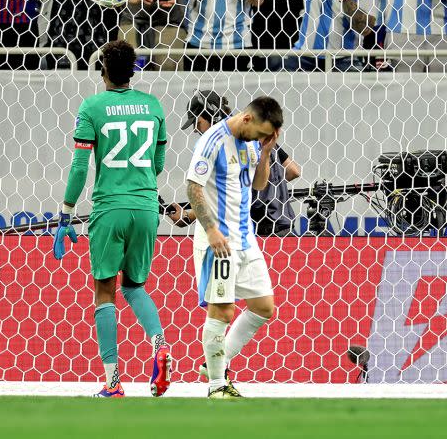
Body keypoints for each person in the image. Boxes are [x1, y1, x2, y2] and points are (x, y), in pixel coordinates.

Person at [53, 40, 173, 399]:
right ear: (134, 70)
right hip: (146, 206)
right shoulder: (153, 106)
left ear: (102, 69)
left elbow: (79, 166)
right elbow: (159, 162)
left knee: (105, 291)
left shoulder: (92, 107)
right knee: (135, 286)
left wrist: (66, 212)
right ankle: (160, 344)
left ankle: (113, 382)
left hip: (110, 208)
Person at [186, 95, 283, 398]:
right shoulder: (213, 140)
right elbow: (192, 187)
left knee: (264, 307)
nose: (262, 138)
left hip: (245, 238)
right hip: (219, 241)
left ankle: (214, 363)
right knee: (222, 311)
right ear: (247, 119)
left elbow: (258, 185)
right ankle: (217, 385)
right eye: (261, 133)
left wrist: (265, 152)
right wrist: (211, 230)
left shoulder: (255, 143)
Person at [168, 90, 301, 236]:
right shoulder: (257, 133)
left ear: (212, 115)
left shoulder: (228, 142)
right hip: (287, 228)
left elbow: (228, 197)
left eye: (197, 123)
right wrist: (269, 188)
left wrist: (188, 217)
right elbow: (294, 170)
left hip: (260, 232)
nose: (195, 129)